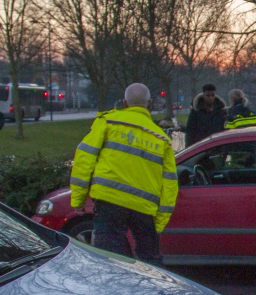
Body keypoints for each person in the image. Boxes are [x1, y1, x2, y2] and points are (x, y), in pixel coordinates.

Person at [71, 83, 178, 265]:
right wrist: (159, 223)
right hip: (143, 208)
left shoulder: (108, 122)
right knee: (151, 263)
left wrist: (78, 199)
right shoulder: (162, 139)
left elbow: (84, 159)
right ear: (149, 104)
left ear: (124, 102)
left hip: (109, 201)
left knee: (111, 263)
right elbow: (170, 184)